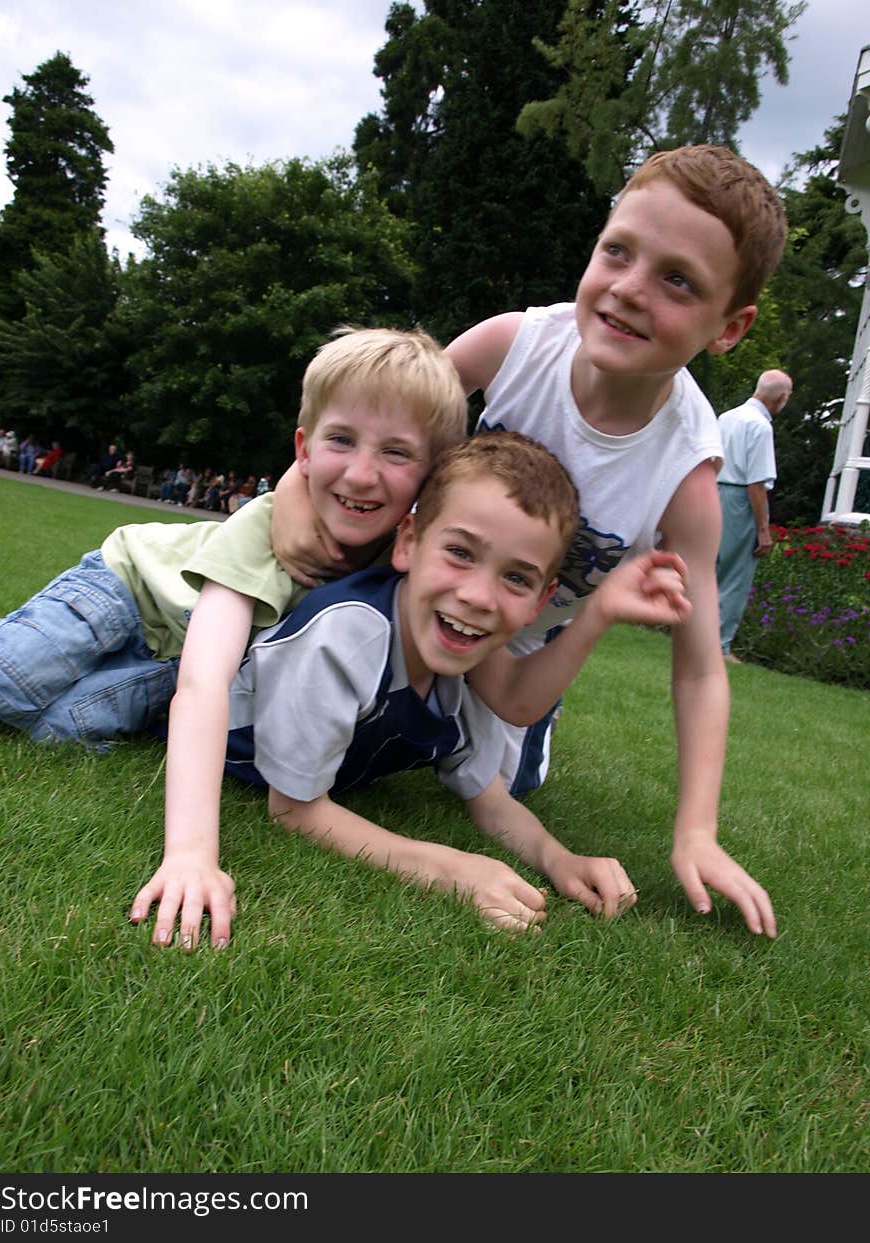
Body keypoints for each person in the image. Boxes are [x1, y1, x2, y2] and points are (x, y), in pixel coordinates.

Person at [271, 144, 784, 939]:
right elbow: (374, 416)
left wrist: (697, 829)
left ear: (731, 327)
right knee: (294, 667)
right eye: (617, 250)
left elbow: (700, 662)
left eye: (678, 280)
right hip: (402, 588)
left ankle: (495, 734)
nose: (629, 288)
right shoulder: (515, 344)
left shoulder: (686, 473)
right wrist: (289, 495)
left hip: (512, 648)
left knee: (505, 781)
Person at [132, 432, 692, 948]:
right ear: (408, 544)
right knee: (67, 717)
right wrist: (449, 869)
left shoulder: (472, 659)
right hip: (167, 686)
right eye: (460, 553)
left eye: (516, 578)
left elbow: (488, 798)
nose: (478, 596)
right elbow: (295, 809)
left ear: (540, 603)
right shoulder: (347, 635)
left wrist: (559, 858)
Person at [0, 327, 468, 753]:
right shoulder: (267, 521)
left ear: (432, 474)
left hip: (172, 662)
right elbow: (206, 684)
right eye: (341, 440)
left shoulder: (401, 564)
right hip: (130, 591)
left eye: (396, 451)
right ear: (303, 450)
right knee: (5, 684)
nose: (361, 475)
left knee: (58, 729)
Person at [716, 369, 791, 663]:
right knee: (735, 574)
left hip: (713, 492)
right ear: (781, 397)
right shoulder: (760, 426)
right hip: (739, 500)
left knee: (710, 569)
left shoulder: (727, 417)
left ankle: (693, 635)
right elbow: (756, 483)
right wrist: (763, 528)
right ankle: (720, 645)